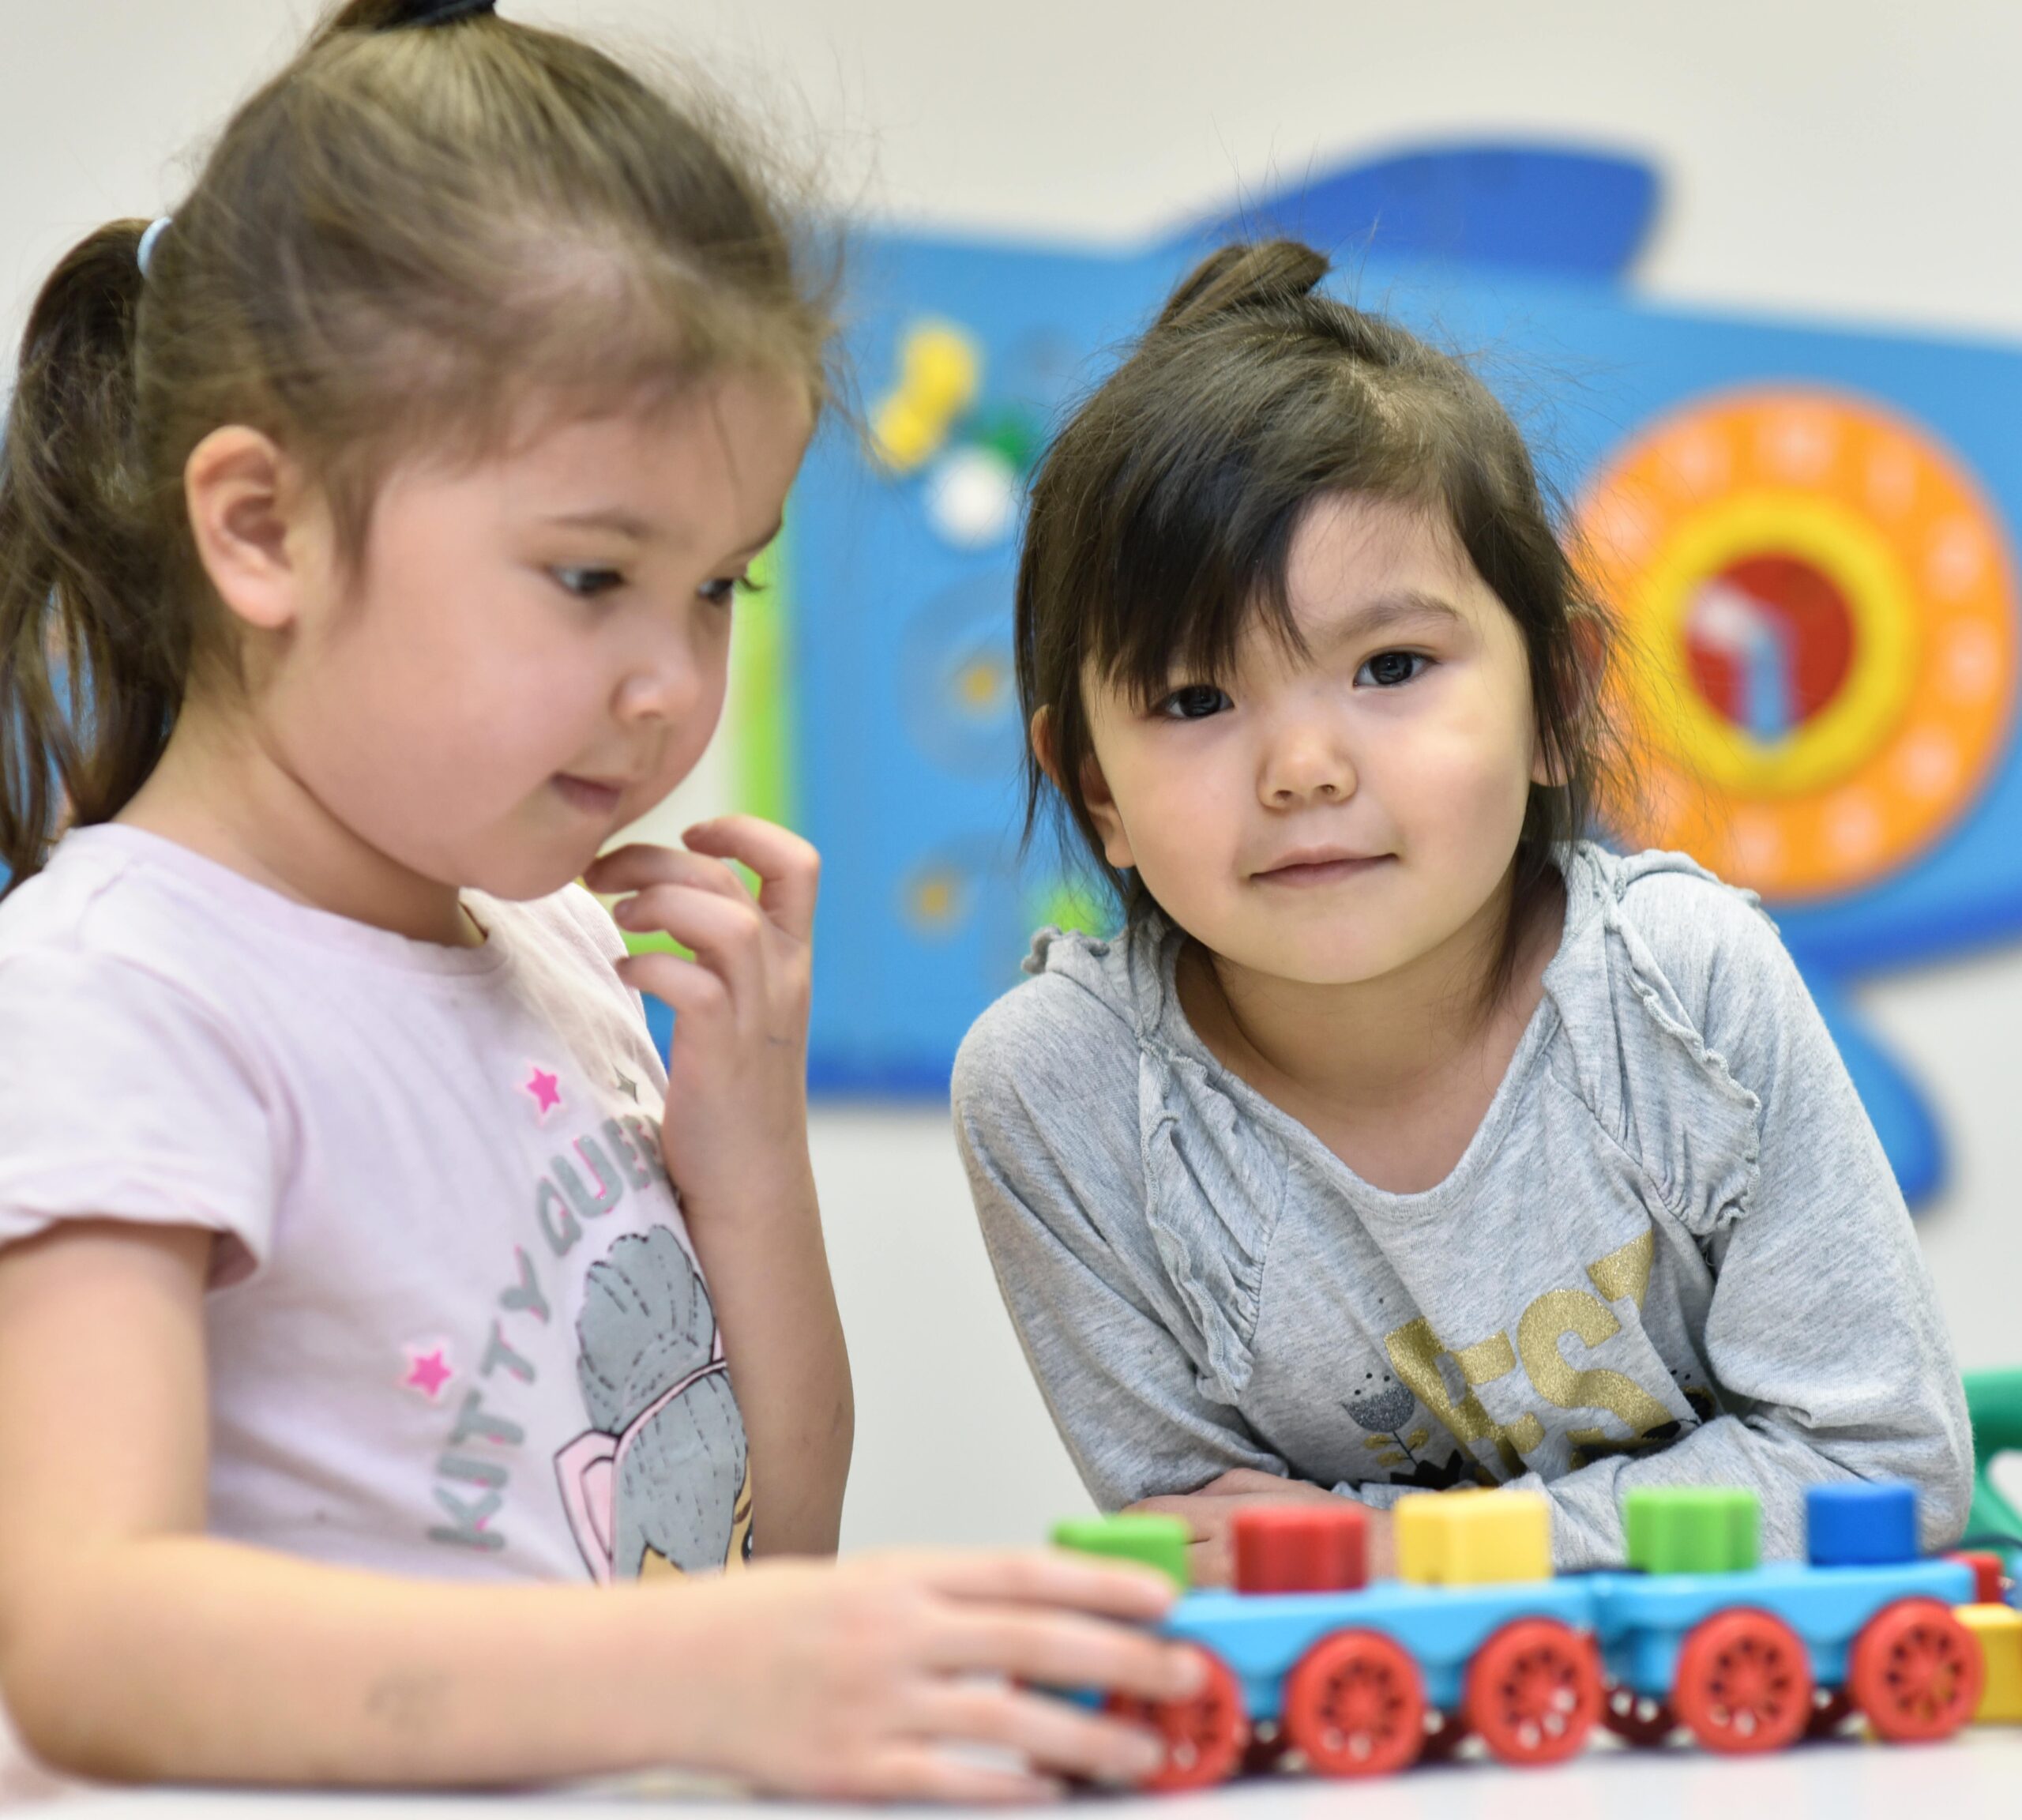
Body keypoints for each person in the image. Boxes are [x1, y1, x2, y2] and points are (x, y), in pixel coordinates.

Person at [0, 0, 1200, 1798]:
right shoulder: (115, 995)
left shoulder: (557, 947)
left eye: (721, 587)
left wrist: (750, 1154)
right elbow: (89, 1645)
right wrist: (705, 1675)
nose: (671, 685)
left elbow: (760, 1547)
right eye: (589, 575)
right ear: (261, 530)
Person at [953, 238, 1974, 1587]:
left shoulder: (1681, 985)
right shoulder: (1058, 1097)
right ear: (1096, 792)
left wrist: (1407, 1549)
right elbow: (1207, 1561)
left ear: (1557, 699)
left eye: (1391, 665)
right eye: (1197, 699)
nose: (1304, 767)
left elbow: (1883, 1470)